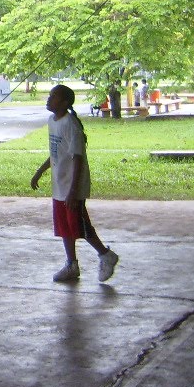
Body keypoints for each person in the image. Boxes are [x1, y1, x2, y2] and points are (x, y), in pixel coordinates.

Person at [30, 84, 119, 283]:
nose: (49, 99)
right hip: (60, 185)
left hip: (72, 186)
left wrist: (73, 191)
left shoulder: (71, 125)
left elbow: (77, 159)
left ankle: (106, 255)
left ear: (64, 103)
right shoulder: (52, 121)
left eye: (53, 96)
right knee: (65, 227)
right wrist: (40, 171)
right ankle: (71, 264)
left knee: (80, 225)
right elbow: (56, 153)